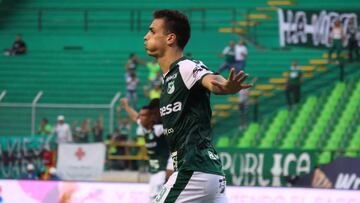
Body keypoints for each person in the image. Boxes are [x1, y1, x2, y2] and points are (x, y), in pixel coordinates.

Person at [143, 9, 253, 202]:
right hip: (209, 173)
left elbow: (210, 79)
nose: (146, 36)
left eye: (152, 31)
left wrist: (224, 86)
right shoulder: (168, 78)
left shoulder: (185, 67)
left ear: (170, 38)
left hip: (193, 172)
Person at [121, 98, 171, 202]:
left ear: (151, 118)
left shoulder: (159, 129)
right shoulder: (145, 128)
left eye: (144, 116)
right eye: (141, 115)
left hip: (162, 172)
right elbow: (135, 117)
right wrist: (126, 106)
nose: (141, 118)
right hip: (153, 172)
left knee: (158, 199)